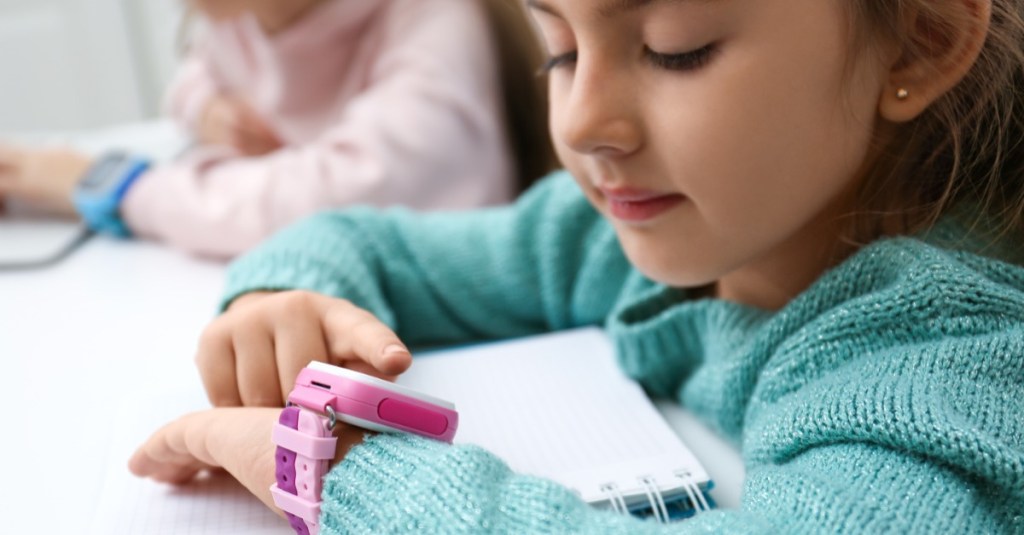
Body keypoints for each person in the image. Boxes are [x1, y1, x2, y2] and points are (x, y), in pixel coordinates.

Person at [129, 0, 1024, 532]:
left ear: (921, 40)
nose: (583, 123)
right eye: (559, 47)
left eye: (675, 48)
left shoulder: (950, 365)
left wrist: (339, 473)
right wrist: (285, 302)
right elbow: (368, 244)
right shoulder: (627, 231)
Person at [0, 0, 553, 258]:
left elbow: (325, 201)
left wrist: (121, 186)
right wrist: (208, 108)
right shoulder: (240, 17)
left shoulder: (436, 21)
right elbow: (190, 78)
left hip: (456, 314)